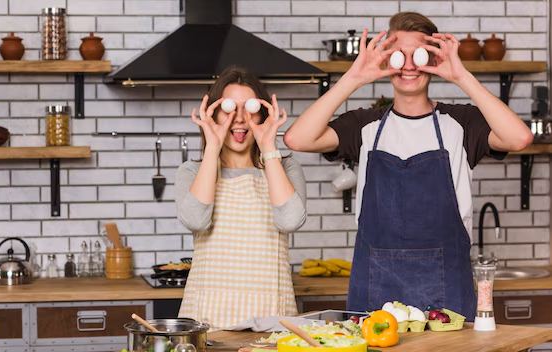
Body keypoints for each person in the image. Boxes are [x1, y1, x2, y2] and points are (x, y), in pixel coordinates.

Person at [283, 12, 533, 319]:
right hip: (374, 294)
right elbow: (297, 138)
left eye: (420, 55)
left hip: (448, 297)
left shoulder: (461, 123)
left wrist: (461, 76)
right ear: (387, 61)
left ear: (434, 59)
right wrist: (355, 77)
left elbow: (519, 138)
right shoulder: (366, 124)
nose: (410, 65)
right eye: (399, 56)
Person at [175, 66, 307, 330]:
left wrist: (269, 146)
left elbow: (290, 221)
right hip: (207, 316)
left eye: (248, 108)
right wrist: (212, 145)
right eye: (228, 108)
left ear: (262, 112)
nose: (239, 119)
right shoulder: (192, 171)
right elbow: (195, 221)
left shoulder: (285, 168)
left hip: (272, 314)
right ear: (213, 112)